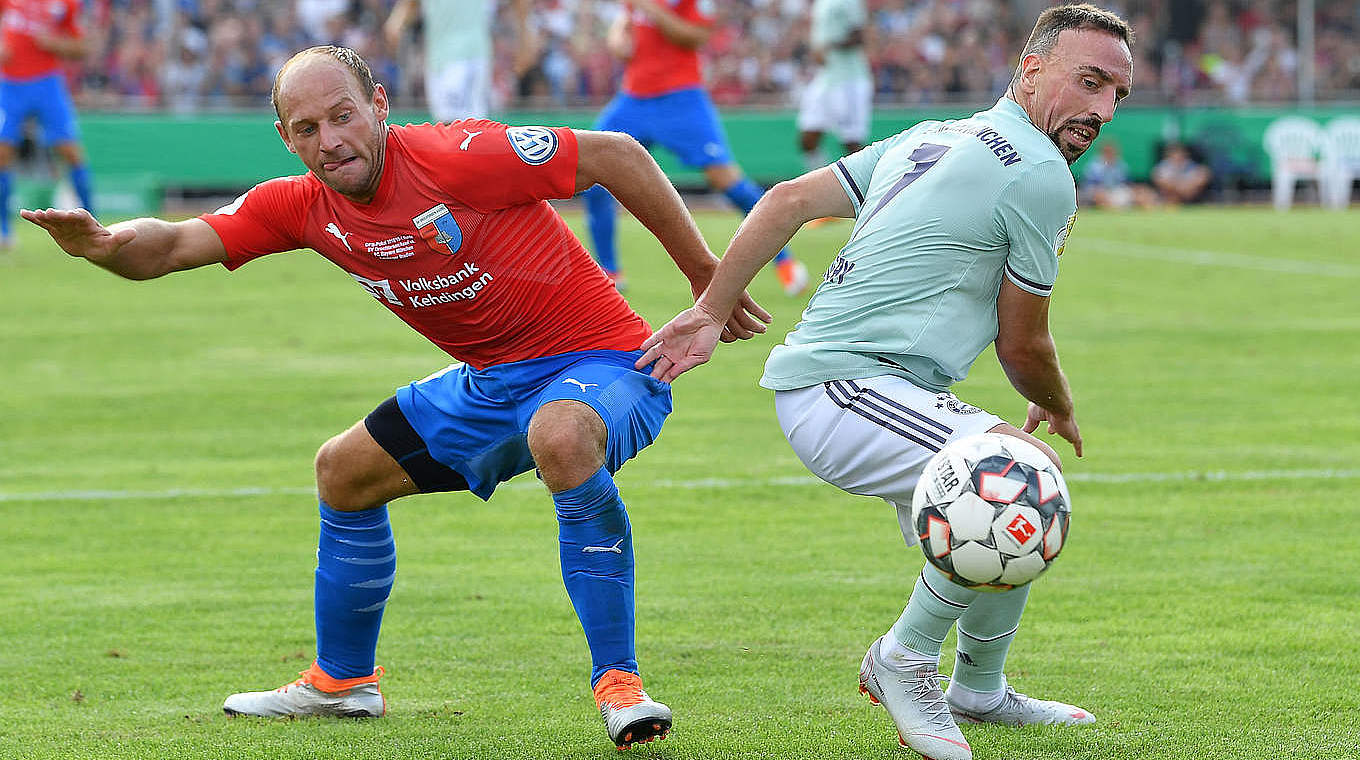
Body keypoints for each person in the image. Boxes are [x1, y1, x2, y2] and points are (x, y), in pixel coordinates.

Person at [22, 45, 769, 751]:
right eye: (308, 128)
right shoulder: (300, 205)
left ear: (379, 105)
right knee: (343, 472)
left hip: (604, 362)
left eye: (343, 115)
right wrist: (105, 245)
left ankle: (620, 685)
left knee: (561, 435)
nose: (331, 140)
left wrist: (705, 275)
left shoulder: (456, 155)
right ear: (286, 138)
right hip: (490, 384)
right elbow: (178, 244)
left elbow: (616, 154)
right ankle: (342, 683)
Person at [636, 5, 1133, 759]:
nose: (1101, 110)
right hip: (845, 389)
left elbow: (786, 200)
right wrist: (1056, 405)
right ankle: (901, 661)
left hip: (863, 390)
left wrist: (710, 310)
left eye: (1116, 95)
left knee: (1009, 493)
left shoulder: (942, 133)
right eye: (1089, 82)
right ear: (1031, 69)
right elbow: (1022, 341)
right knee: (1019, 474)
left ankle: (979, 690)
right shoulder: (1039, 173)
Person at [584, 0, 810, 295]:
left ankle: (785, 262)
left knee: (725, 179)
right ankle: (610, 272)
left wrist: (650, 9)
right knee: (592, 171)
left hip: (682, 98)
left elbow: (695, 37)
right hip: (634, 98)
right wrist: (619, 40)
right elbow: (622, 36)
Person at [0, 0, 95, 248]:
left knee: (71, 152)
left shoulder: (66, 4)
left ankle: (93, 222)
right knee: (2, 154)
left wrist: (56, 44)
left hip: (47, 83)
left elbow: (82, 47)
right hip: (10, 84)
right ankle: (4, 230)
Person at [383, 0, 534, 121]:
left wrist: (525, 39)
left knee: (462, 128)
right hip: (436, 59)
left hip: (469, 55)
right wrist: (397, 21)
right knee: (447, 124)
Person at [797, 0, 874, 171]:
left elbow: (859, 35)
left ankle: (862, 191)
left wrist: (829, 47)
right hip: (826, 77)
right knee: (807, 137)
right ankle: (821, 186)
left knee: (852, 143)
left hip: (849, 78)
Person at [1079, 140, 1157, 209]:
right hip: (1099, 192)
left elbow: (1128, 183)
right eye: (1108, 151)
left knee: (1143, 192)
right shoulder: (1094, 166)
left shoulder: (1120, 165)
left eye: (1112, 151)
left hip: (1116, 192)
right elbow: (1089, 186)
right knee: (1099, 195)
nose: (1110, 154)